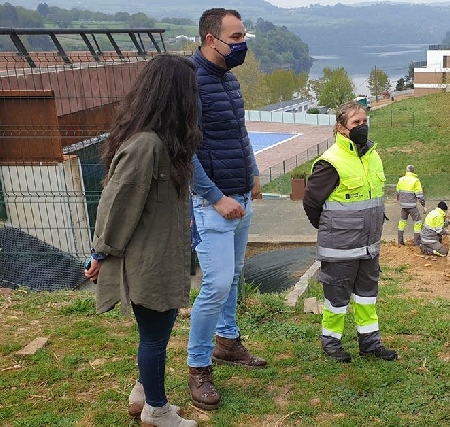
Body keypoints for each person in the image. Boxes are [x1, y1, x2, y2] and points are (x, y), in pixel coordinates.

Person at [84, 54, 200, 427]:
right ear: (174, 96)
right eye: (191, 92)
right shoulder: (146, 145)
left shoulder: (164, 143)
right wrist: (101, 252)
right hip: (148, 260)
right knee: (153, 338)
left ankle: (142, 393)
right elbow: (117, 204)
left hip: (164, 255)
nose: (196, 100)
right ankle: (157, 410)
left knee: (157, 334)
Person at [186, 7, 266, 412]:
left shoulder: (229, 81)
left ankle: (228, 343)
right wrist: (216, 197)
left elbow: (239, 131)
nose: (242, 44)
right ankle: (198, 366)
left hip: (241, 196)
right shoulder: (190, 83)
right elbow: (185, 150)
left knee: (233, 276)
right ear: (210, 39)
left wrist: (252, 174)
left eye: (242, 36)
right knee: (215, 284)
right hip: (210, 205)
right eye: (235, 38)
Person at [303, 100, 397, 363]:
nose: (362, 127)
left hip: (369, 244)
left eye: (364, 122)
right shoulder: (330, 162)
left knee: (367, 297)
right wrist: (329, 228)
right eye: (356, 123)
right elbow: (311, 202)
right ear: (341, 128)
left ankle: (370, 343)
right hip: (340, 245)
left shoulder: (372, 156)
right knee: (336, 298)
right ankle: (331, 343)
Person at [396, 164, 426, 245]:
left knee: (402, 222)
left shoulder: (401, 180)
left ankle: (400, 241)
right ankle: (417, 242)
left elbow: (398, 193)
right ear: (413, 171)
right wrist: (423, 205)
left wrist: (400, 200)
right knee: (418, 222)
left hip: (403, 206)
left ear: (406, 171)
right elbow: (419, 195)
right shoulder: (415, 181)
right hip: (412, 206)